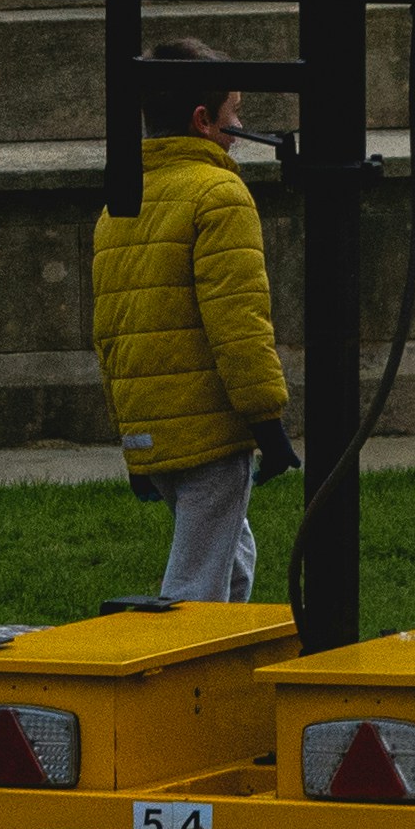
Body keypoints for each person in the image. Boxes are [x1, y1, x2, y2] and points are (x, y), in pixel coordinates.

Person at [91, 37, 299, 604]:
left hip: (152, 429)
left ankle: (223, 675)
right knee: (194, 589)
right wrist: (268, 426)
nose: (242, 127)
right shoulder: (219, 193)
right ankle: (174, 687)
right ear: (204, 121)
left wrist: (133, 441)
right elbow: (239, 326)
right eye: (236, 113)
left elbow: (110, 331)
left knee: (233, 561)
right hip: (209, 432)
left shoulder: (122, 201)